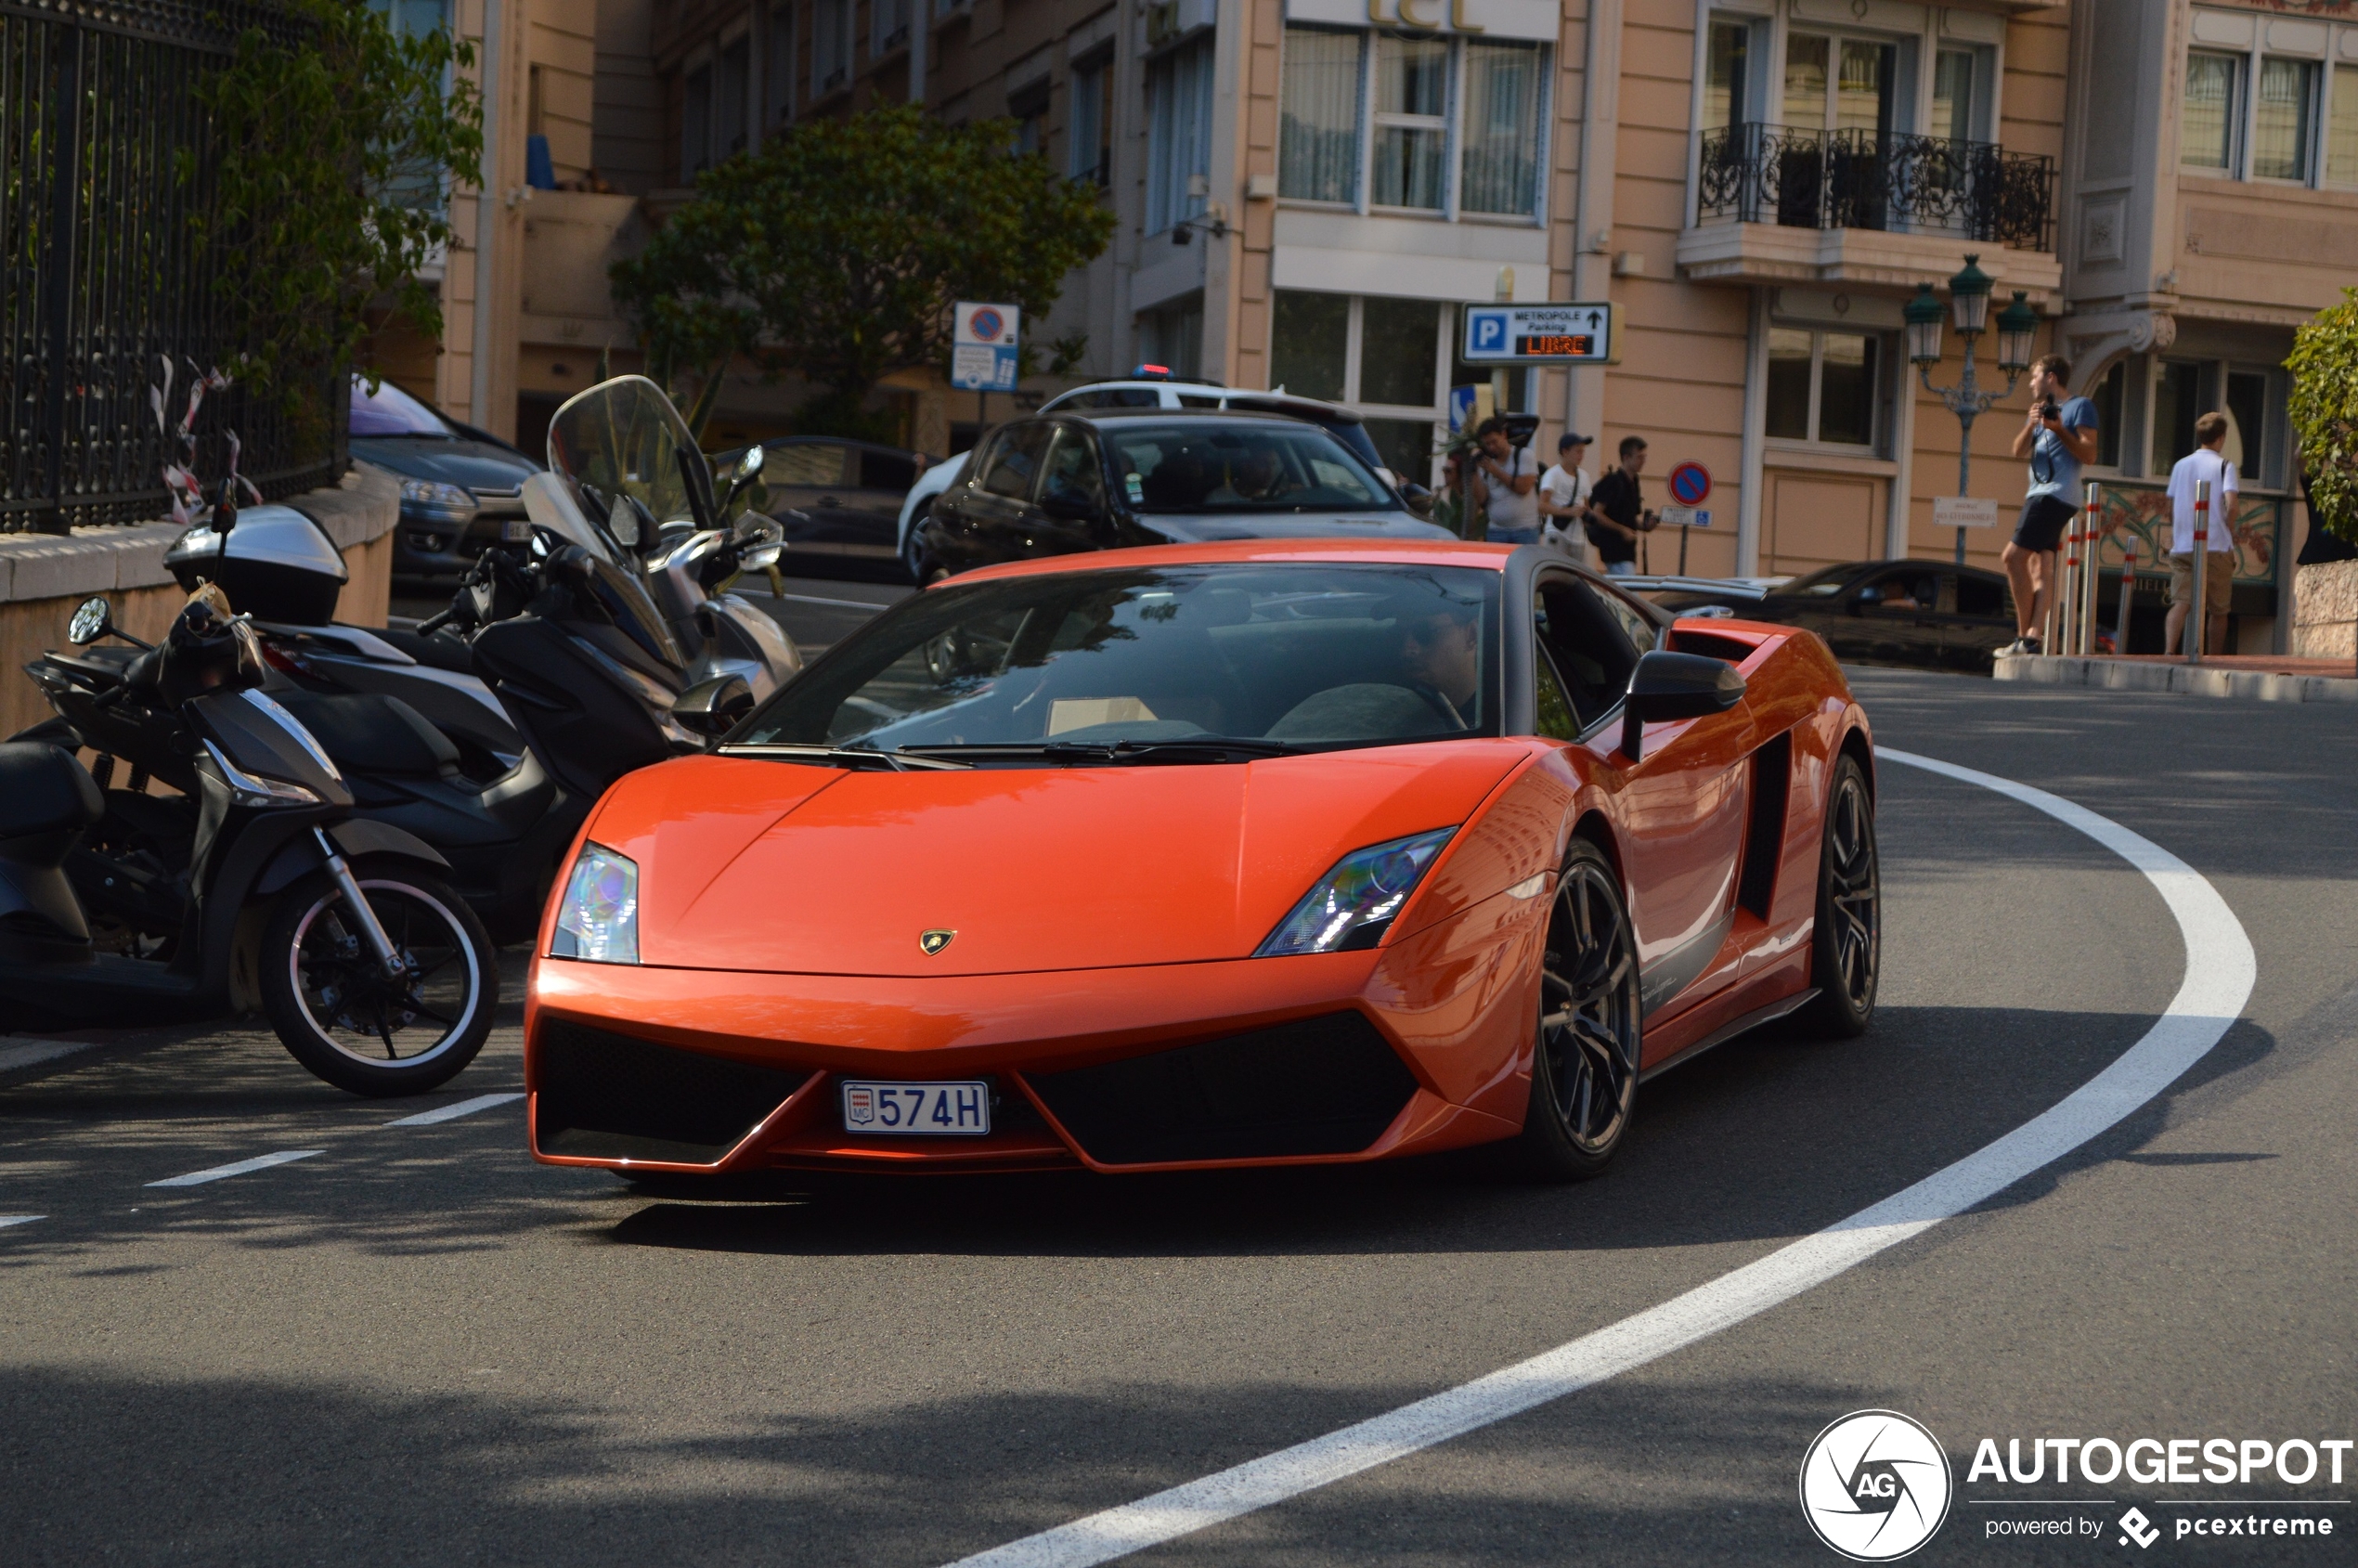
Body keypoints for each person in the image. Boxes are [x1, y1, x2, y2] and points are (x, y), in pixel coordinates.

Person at [2001, 353, 2099, 655]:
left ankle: (2022, 636)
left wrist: (2058, 429)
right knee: (2039, 566)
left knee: (2012, 557)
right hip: (2040, 492)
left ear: (2051, 378)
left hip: (2054, 494)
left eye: (2035, 376)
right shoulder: (2039, 411)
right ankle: (2033, 636)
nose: (2031, 383)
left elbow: (2088, 454)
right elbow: (2017, 451)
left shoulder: (2080, 406)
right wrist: (2033, 424)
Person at [2163, 411, 2239, 656]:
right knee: (2219, 609)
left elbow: (2169, 507)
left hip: (2184, 544)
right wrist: (2229, 526)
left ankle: (2168, 651)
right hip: (2216, 544)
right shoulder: (2225, 466)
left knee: (2181, 602)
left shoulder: (2180, 465)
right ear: (2221, 438)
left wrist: (2179, 530)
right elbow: (2232, 504)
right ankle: (2213, 657)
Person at [1396, 598, 1483, 728]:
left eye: (1424, 633)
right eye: (1398, 636)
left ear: (1472, 634)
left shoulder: (1508, 719)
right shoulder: (1392, 717)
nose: (1407, 650)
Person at [1586, 436, 1655, 577]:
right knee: (1628, 594)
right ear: (1626, 457)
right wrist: (1622, 530)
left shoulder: (1634, 482)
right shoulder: (1613, 481)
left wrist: (1645, 526)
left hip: (1627, 552)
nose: (1643, 461)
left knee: (1622, 592)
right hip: (1614, 551)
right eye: (1639, 457)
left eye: (1644, 457)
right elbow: (1597, 513)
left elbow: (1630, 518)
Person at [1468, 419, 1540, 544]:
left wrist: (1495, 471)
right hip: (1496, 530)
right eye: (1487, 444)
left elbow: (1523, 488)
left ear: (1504, 435)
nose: (1491, 447)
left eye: (1494, 442)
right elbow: (1482, 499)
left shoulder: (1523, 455)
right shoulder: (1485, 463)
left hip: (1525, 530)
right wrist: (1474, 470)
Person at [1538, 433, 1595, 563]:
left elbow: (1587, 504)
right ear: (1565, 452)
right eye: (1577, 451)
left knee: (1578, 577)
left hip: (1579, 537)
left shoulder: (1584, 476)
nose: (1581, 455)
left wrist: (1588, 516)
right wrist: (1568, 512)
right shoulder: (1553, 474)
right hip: (1557, 534)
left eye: (1582, 452)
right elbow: (1542, 505)